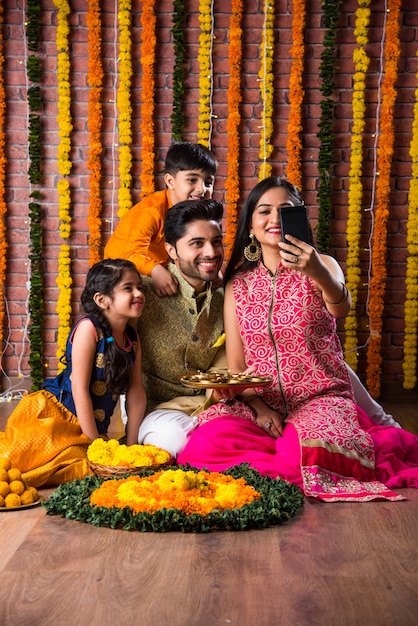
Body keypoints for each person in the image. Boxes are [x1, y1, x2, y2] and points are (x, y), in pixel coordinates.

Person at [177, 177, 418, 501]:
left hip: (319, 399)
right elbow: (237, 365)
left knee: (307, 454)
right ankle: (279, 450)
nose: (274, 219)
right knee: (204, 446)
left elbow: (340, 306)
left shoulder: (324, 266)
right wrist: (259, 408)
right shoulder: (238, 285)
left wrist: (316, 270)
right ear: (251, 225)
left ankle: (292, 452)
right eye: (264, 211)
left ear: (299, 219)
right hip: (261, 403)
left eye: (285, 211)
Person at [0, 259, 147, 487]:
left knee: (83, 469)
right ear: (102, 300)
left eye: (140, 287)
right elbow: (78, 388)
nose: (138, 293)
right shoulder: (88, 329)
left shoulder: (132, 339)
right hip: (56, 417)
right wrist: (94, 444)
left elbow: (136, 391)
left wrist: (132, 443)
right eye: (128, 288)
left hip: (89, 426)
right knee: (16, 464)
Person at [136, 198, 225, 456]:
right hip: (159, 409)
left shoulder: (225, 297)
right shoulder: (142, 293)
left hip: (212, 405)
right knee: (173, 440)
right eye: (197, 243)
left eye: (216, 241)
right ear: (171, 250)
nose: (211, 252)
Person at [104, 142, 218, 297]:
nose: (201, 189)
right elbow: (130, 255)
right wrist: (156, 270)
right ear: (170, 181)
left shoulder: (194, 215)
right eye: (192, 180)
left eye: (208, 183)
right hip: (118, 277)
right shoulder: (151, 212)